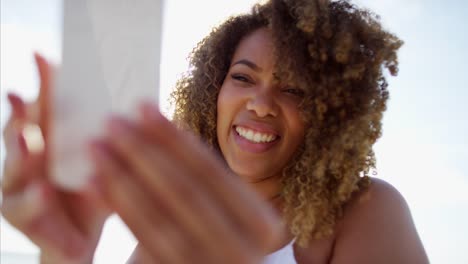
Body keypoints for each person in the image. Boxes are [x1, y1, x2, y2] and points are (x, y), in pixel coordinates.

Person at [1, 0, 429, 263]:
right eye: (243, 78)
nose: (260, 103)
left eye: (294, 89)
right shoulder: (178, 224)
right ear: (213, 92)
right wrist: (67, 256)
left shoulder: (367, 210)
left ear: (331, 114)